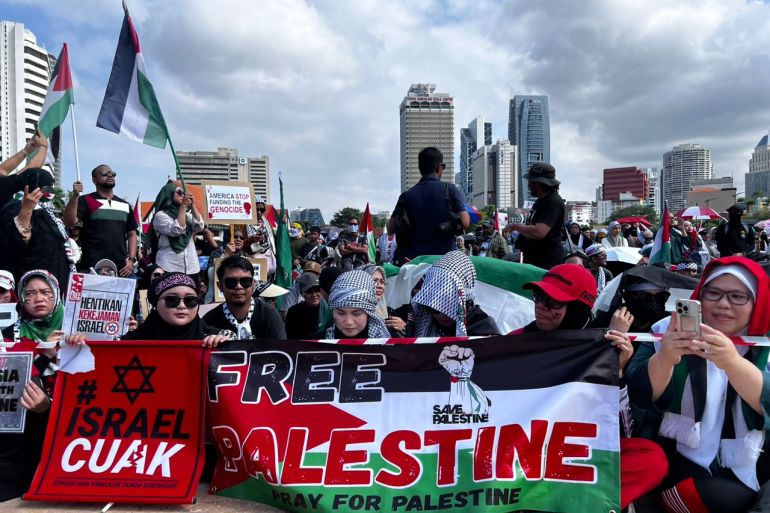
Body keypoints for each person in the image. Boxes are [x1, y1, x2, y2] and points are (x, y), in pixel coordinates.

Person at [510, 264, 668, 509]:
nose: (540, 306)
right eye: (538, 296)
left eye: (552, 302)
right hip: (522, 446)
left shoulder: (601, 346)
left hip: (576, 447)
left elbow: (622, 430)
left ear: (577, 308)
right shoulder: (513, 343)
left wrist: (617, 371)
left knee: (652, 458)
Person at [626, 257, 770, 513]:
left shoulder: (765, 344)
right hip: (678, 461)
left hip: (755, 464)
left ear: (757, 302)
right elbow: (639, 393)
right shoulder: (665, 331)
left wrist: (733, 363)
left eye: (738, 297)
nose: (723, 304)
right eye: (713, 293)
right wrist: (666, 357)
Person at [0, 270, 62, 501]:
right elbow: (12, 378)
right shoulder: (8, 335)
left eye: (45, 292)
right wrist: (43, 355)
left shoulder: (74, 331)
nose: (39, 299)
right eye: (30, 293)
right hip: (26, 425)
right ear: (22, 298)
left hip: (65, 422)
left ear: (56, 295)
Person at [388, 147, 469, 264]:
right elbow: (465, 222)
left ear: (420, 168)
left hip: (416, 262)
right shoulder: (450, 189)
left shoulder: (406, 196)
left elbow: (390, 229)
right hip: (445, 262)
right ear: (438, 167)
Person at [0, 169, 73, 293]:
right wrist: (26, 210)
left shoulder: (43, 209)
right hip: (33, 288)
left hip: (54, 284)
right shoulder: (16, 207)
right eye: (47, 187)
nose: (51, 191)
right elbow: (17, 239)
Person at [63, 164, 138, 276]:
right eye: (104, 174)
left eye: (113, 174)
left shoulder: (125, 205)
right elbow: (69, 222)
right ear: (94, 180)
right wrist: (75, 196)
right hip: (92, 266)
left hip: (121, 268)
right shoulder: (86, 200)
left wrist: (131, 259)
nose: (110, 176)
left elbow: (132, 233)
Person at [408, 251, 500, 337]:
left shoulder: (485, 330)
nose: (442, 315)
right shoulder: (419, 314)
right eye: (434, 307)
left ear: (466, 301)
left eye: (450, 306)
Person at [123, 272, 232, 344]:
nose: (182, 306)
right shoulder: (131, 341)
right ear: (156, 304)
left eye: (190, 300)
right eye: (172, 300)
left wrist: (227, 346)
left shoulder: (219, 337)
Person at [203, 256, 286, 340]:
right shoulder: (209, 321)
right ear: (220, 286)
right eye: (231, 282)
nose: (239, 287)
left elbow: (280, 347)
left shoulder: (269, 315)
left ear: (253, 285)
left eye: (245, 281)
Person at [508, 163, 566, 269]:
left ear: (538, 183)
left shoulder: (553, 201)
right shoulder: (540, 201)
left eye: (530, 181)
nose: (528, 185)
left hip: (547, 263)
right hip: (535, 261)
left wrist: (515, 226)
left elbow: (539, 232)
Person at [151, 182, 204, 278]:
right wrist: (183, 206)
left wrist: (193, 205)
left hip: (192, 267)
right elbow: (177, 230)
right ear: (170, 194)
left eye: (184, 193)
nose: (183, 195)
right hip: (169, 266)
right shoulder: (160, 216)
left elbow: (199, 226)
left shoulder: (187, 215)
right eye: (179, 192)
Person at [324, 270, 390, 339]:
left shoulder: (383, 341)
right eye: (341, 313)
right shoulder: (321, 340)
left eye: (357, 313)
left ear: (369, 313)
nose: (349, 322)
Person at [361, 264, 407, 337]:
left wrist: (404, 328)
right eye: (374, 281)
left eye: (382, 282)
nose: (380, 286)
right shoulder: (355, 312)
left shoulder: (389, 313)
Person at [285, 272, 329, 339]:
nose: (314, 295)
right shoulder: (293, 312)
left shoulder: (329, 310)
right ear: (302, 293)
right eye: (309, 291)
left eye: (317, 290)